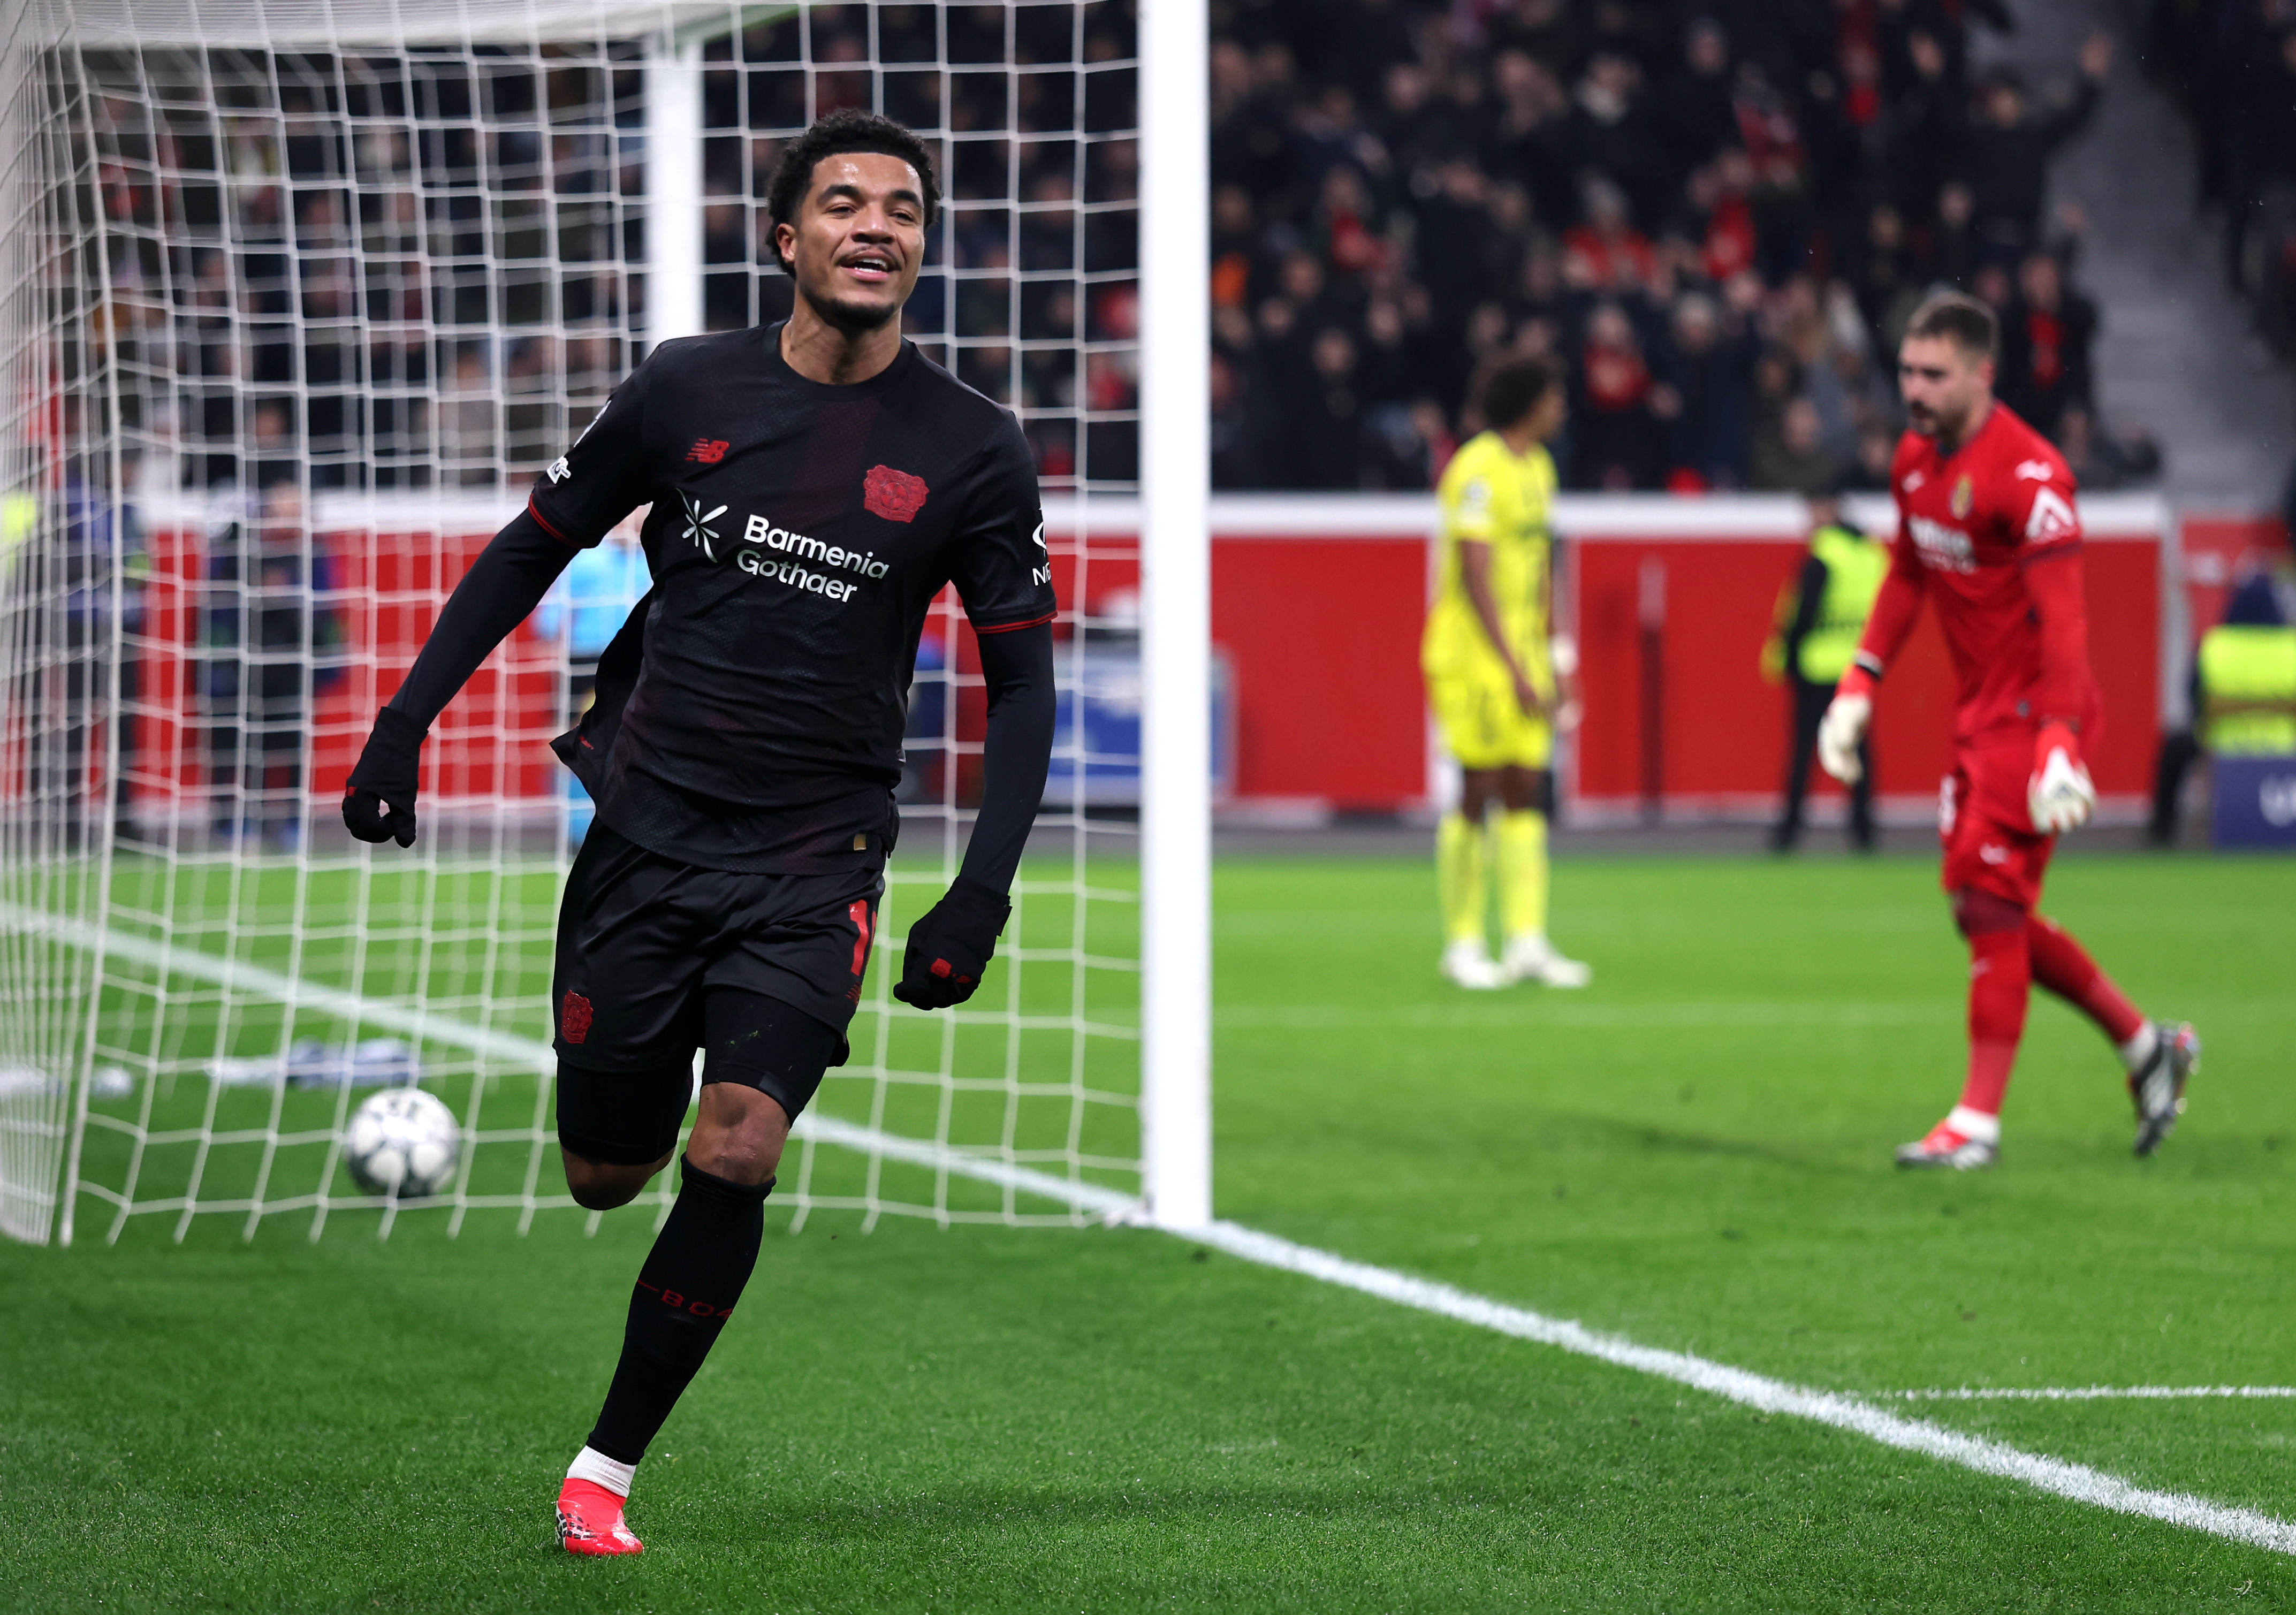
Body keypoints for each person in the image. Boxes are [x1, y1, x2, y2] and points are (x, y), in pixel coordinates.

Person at [338, 111, 1057, 1555]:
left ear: (922, 247)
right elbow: (533, 543)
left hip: (816, 861)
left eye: (902, 209)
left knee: (736, 1146)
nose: (875, 225)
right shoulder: (684, 391)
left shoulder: (972, 449)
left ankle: (604, 1469)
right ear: (785, 237)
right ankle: (634, 1117)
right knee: (608, 1172)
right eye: (843, 202)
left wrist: (980, 894)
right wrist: (404, 720)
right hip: (649, 841)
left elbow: (1022, 679)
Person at [1816, 292, 2197, 1169]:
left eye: (1933, 375)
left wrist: (2060, 738)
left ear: (1982, 374)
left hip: (2038, 716)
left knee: (1988, 905)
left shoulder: (2030, 475)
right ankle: (2148, 1047)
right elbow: (1908, 572)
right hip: (1981, 716)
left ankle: (1976, 1123)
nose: (1913, 388)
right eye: (1908, 370)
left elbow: (2066, 621)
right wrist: (1861, 681)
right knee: (1987, 907)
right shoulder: (1914, 458)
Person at [1421, 353, 1590, 991]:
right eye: (1553, 396)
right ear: (1529, 403)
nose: (1562, 407)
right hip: (1473, 657)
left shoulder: (1540, 468)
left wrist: (1557, 657)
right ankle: (1463, 943)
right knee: (1478, 785)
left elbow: (1545, 572)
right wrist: (1510, 666)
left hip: (1523, 656)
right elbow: (1475, 573)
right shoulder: (1476, 469)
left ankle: (1526, 939)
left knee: (1527, 786)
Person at [1761, 485, 1886, 851]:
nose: (1809, 521)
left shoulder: (1824, 555)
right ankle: (1863, 831)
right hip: (1858, 669)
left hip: (1816, 666)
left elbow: (1803, 614)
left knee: (1803, 752)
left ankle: (1789, 831)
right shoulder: (1871, 553)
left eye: (1813, 510)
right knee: (1859, 750)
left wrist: (1785, 656)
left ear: (1829, 508)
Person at [2147, 570, 2296, 845]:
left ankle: (2160, 835)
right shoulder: (2291, 647)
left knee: (2174, 746)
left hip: (2223, 745)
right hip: (2287, 749)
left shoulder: (2215, 646)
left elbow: (2194, 700)